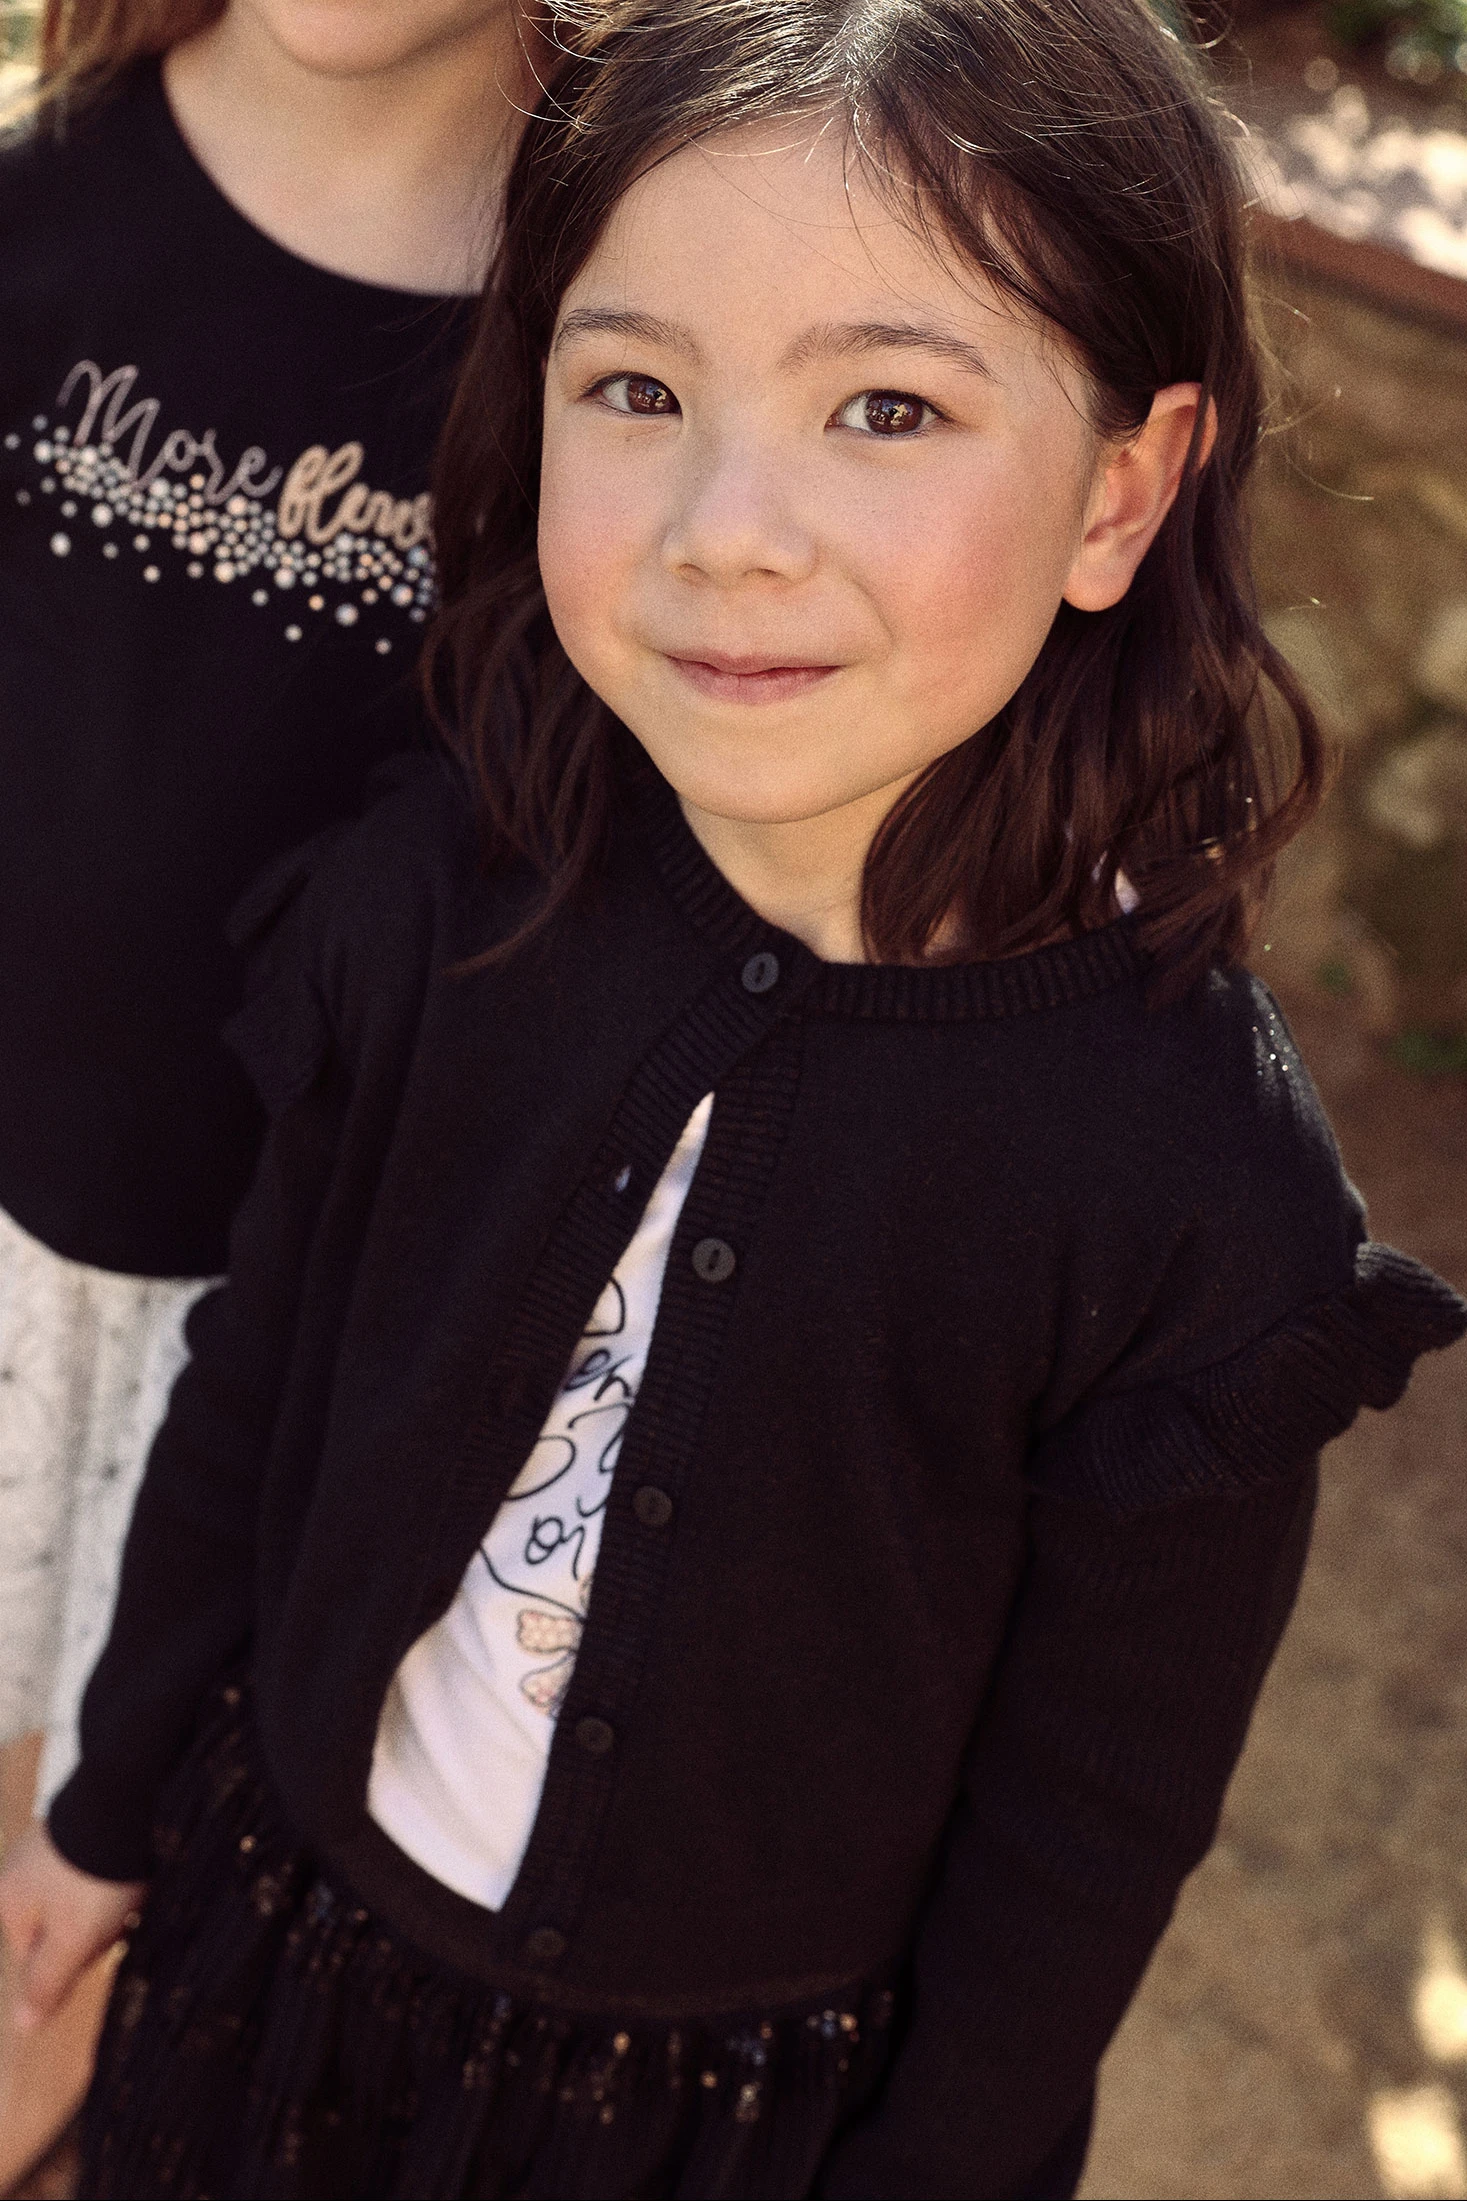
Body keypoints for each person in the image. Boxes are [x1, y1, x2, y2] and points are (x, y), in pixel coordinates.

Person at [4, 0, 1465, 2194]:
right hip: (259, 1964)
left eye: (886, 407)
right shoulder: (441, 892)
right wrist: (107, 1808)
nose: (728, 528)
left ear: (1121, 487)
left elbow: (1084, 1829)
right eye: (637, 390)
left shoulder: (1193, 1196)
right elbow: (258, 1381)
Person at [0, 0, 541, 2178]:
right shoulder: (46, 198)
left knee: (104, 1890)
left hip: (312, 1332)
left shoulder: (630, 301)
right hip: (8, 1257)